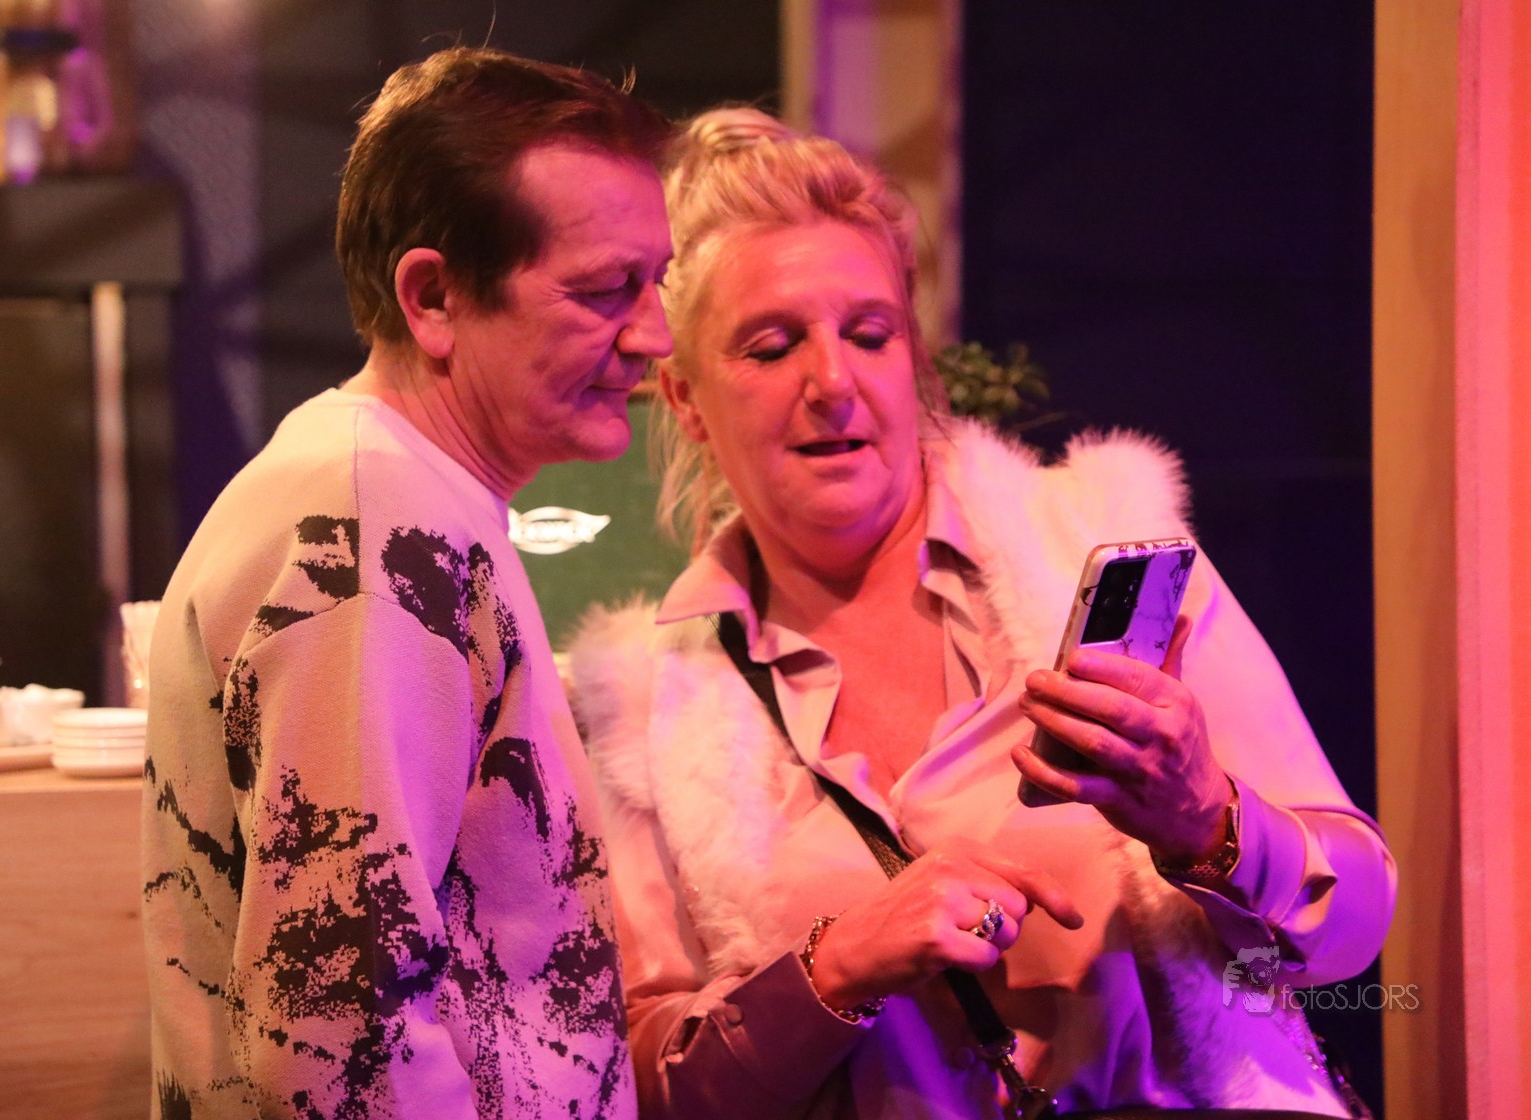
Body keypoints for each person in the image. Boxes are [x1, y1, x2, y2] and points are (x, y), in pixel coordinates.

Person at [566, 107, 1396, 1119]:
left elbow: (1357, 923)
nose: (832, 382)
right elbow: (639, 1080)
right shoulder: (646, 706)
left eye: (869, 334)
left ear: (914, 357)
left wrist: (1206, 819)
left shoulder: (1102, 542)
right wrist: (835, 967)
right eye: (772, 346)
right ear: (686, 399)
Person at [141, 48, 675, 1120]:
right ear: (433, 296)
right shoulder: (376, 528)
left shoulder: (403, 495)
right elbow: (345, 1045)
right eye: (603, 289)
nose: (655, 334)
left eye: (659, 281)